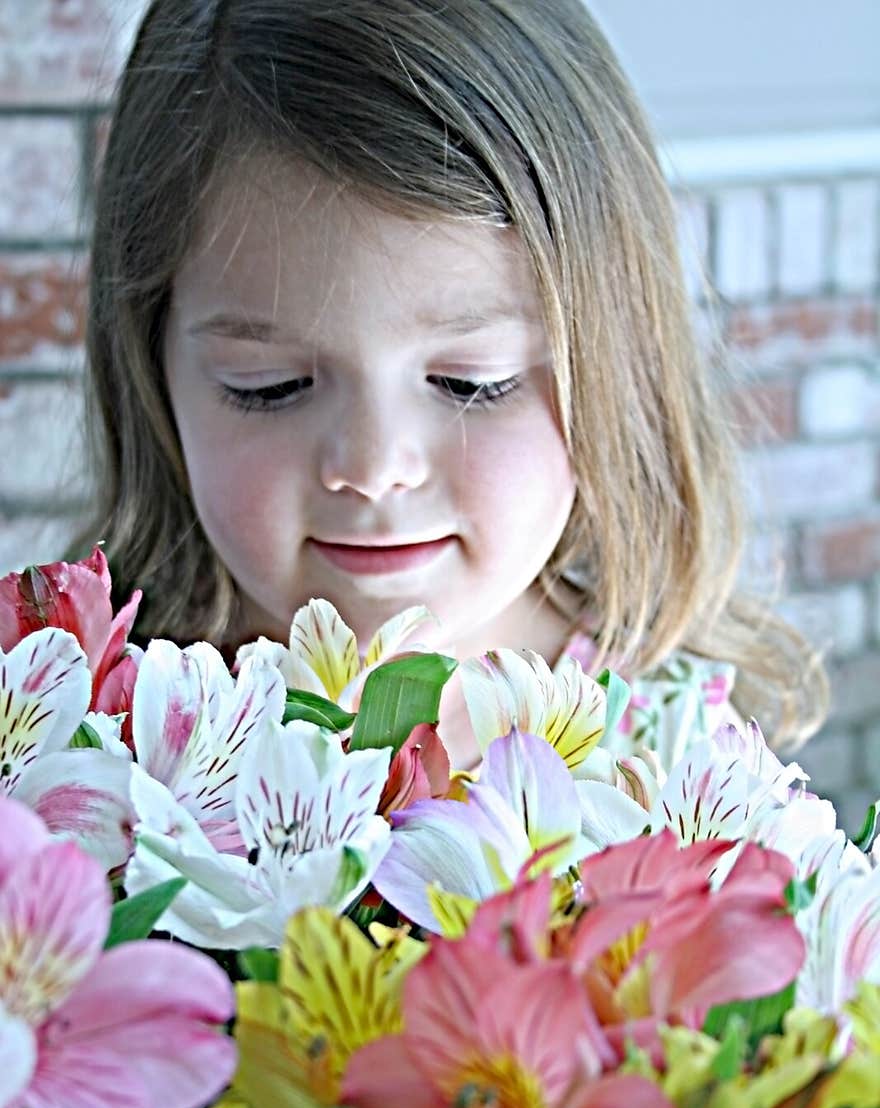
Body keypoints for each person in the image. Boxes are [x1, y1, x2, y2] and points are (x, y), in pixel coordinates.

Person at [81, 0, 825, 771]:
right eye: (269, 386)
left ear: (618, 366)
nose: (373, 469)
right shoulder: (101, 731)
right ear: (148, 367)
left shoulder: (675, 755)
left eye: (473, 383)